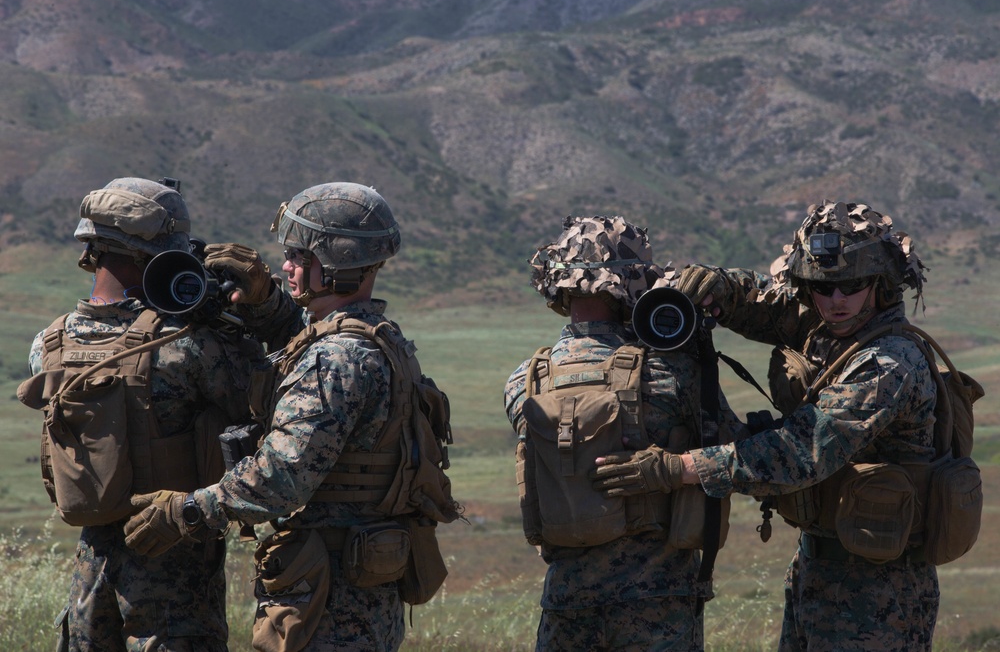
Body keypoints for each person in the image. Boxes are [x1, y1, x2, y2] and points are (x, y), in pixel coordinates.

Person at [123, 182, 459, 652]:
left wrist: (191, 509)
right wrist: (266, 304)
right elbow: (301, 340)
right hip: (358, 579)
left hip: (328, 597)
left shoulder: (336, 360)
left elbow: (282, 477)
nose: (286, 266)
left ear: (336, 264)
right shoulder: (377, 337)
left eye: (299, 256)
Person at [595, 200, 938, 651]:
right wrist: (721, 286)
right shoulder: (829, 324)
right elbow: (766, 303)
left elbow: (798, 453)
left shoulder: (889, 362)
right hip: (820, 565)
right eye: (821, 286)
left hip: (881, 588)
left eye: (850, 286)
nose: (835, 301)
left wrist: (678, 469)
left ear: (881, 283)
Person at [16, 177, 261, 652]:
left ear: (93, 249)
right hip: (175, 571)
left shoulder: (49, 343)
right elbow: (263, 396)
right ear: (158, 256)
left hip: (92, 571)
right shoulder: (188, 344)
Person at [505, 215, 741, 652]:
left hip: (566, 600)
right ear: (633, 285)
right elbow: (736, 455)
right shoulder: (672, 371)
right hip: (660, 602)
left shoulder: (525, 381)